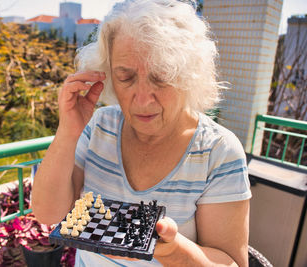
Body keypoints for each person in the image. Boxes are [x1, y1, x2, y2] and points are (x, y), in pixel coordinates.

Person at [32, 0, 251, 266]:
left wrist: (172, 250)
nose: (143, 100)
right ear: (108, 73)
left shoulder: (218, 151)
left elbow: (233, 263)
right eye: (126, 78)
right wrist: (68, 131)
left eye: (162, 77)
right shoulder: (99, 126)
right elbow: (48, 212)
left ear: (189, 75)